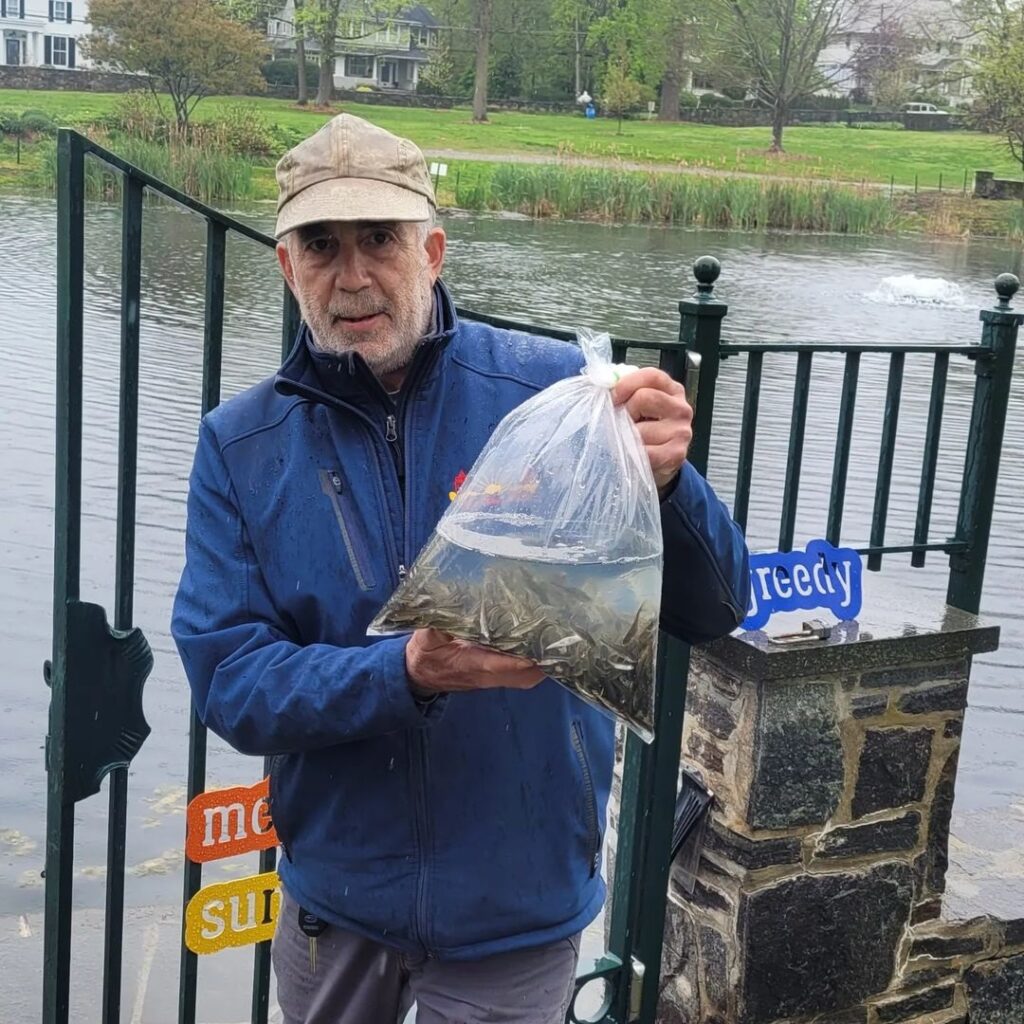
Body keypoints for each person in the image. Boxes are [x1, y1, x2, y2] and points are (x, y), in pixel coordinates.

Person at [171, 113, 750, 1024]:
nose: (352, 275)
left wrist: (670, 485)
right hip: (337, 908)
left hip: (516, 911)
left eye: (380, 241)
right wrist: (403, 671)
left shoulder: (554, 394)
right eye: (320, 245)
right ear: (286, 267)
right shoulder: (240, 445)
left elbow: (713, 608)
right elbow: (233, 685)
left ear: (432, 249)